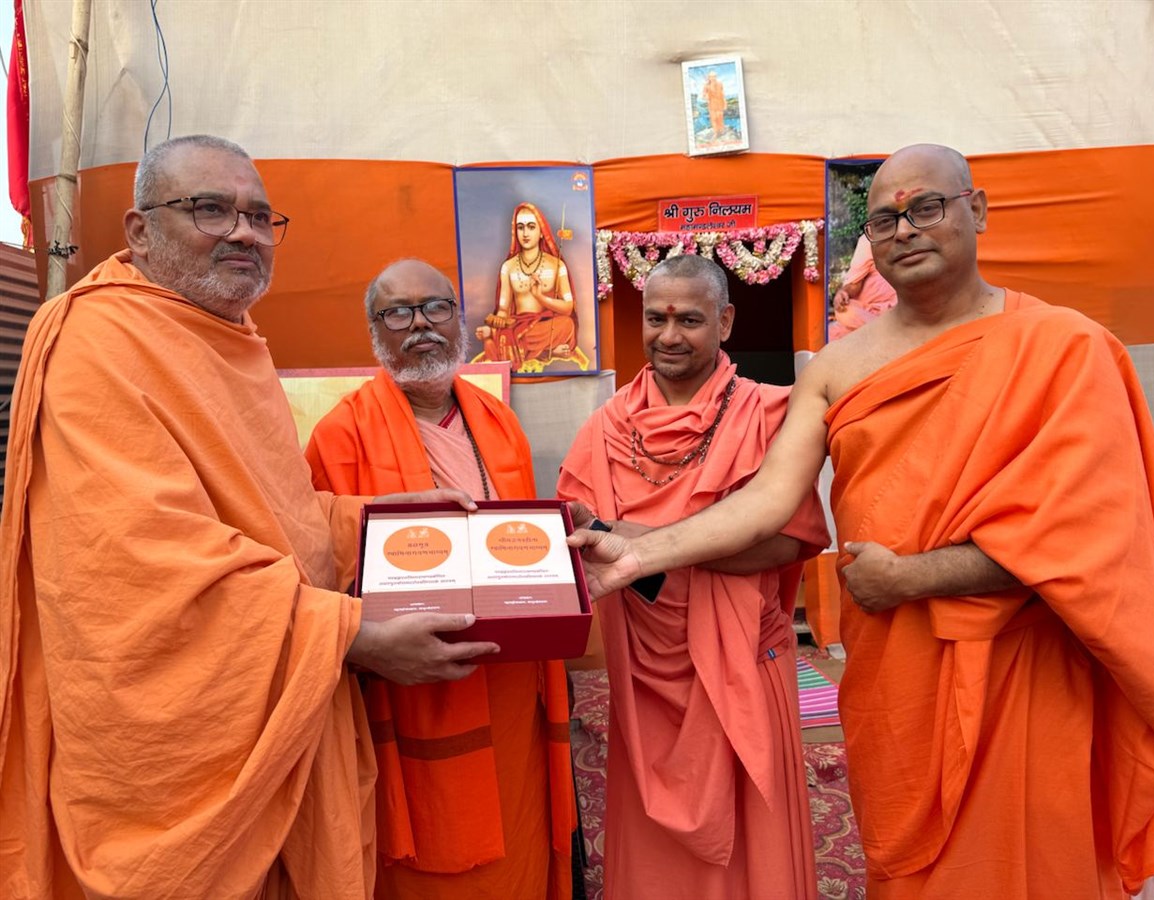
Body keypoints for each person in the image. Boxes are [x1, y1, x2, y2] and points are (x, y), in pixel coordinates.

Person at [570, 144, 1154, 898]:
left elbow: (1092, 534)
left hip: (1026, 655)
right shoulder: (839, 367)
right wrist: (639, 555)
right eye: (884, 220)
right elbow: (768, 502)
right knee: (910, 858)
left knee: (1031, 850)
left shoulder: (1067, 346)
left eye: (926, 208)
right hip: (898, 656)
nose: (905, 230)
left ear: (977, 210)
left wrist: (915, 576)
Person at [0, 135, 500, 898]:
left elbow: (274, 514)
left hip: (277, 709)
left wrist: (377, 519)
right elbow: (141, 563)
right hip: (179, 760)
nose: (244, 232)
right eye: (210, 209)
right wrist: (349, 636)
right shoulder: (97, 342)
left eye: (260, 217)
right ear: (139, 231)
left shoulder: (237, 344)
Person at [557, 254, 828, 899]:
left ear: (725, 322)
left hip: (742, 658)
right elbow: (583, 536)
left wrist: (640, 542)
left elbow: (785, 540)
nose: (669, 336)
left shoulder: (768, 413)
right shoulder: (606, 426)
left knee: (752, 838)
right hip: (644, 666)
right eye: (656, 319)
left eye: (689, 320)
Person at [305, 258, 576, 899]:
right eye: (398, 313)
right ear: (375, 331)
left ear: (460, 318)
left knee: (518, 834)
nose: (421, 325)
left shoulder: (497, 420)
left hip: (508, 677)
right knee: (427, 852)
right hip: (406, 687)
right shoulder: (338, 436)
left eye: (435, 308)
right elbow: (314, 563)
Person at [474, 201, 589, 373]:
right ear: (515, 232)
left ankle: (509, 341)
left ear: (541, 232)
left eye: (531, 227)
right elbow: (504, 309)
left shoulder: (557, 265)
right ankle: (546, 352)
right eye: (520, 227)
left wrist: (540, 297)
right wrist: (498, 324)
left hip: (547, 326)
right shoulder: (508, 267)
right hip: (517, 325)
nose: (525, 233)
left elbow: (568, 307)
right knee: (498, 338)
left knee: (567, 325)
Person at [829, 232, 897, 339]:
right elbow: (854, 284)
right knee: (843, 310)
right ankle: (886, 332)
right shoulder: (868, 240)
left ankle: (885, 332)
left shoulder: (911, 236)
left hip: (898, 311)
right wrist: (843, 293)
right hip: (866, 312)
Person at [702, 70, 727, 138]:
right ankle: (716, 132)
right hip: (712, 104)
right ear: (709, 77)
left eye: (714, 76)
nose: (713, 78)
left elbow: (723, 94)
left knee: (720, 117)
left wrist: (725, 103)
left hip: (720, 103)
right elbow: (703, 95)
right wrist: (706, 97)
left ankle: (721, 130)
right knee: (713, 118)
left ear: (716, 77)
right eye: (711, 76)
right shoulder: (706, 85)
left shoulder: (720, 84)